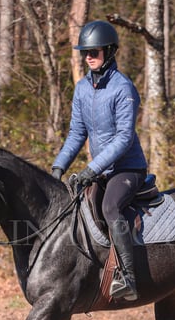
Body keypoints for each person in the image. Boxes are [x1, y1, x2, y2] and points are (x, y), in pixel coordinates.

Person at [51, 20, 147, 302]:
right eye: (85, 52)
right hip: (99, 172)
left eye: (94, 51)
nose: (88, 56)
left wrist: (91, 169)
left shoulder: (123, 88)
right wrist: (57, 168)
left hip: (127, 169)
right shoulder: (82, 89)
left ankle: (128, 277)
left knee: (110, 206)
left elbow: (123, 139)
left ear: (109, 51)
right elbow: (76, 133)